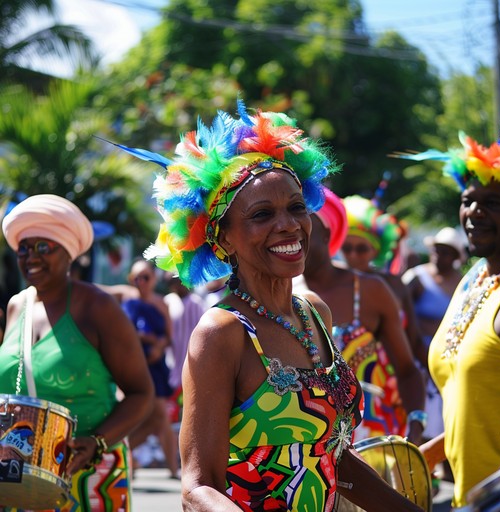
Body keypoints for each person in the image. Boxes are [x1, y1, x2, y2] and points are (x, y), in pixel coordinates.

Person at [116, 100, 423, 511]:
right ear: (222, 239)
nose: (288, 224)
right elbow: (196, 487)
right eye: (262, 214)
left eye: (297, 207)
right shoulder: (222, 332)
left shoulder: (314, 313)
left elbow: (328, 456)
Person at [0, 194, 154, 511]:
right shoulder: (17, 306)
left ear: (69, 253)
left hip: (89, 476)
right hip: (18, 478)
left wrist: (96, 442)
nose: (32, 257)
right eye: (24, 248)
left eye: (44, 247)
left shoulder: (97, 306)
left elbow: (141, 393)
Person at [399, 118, 500, 508]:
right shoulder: (473, 280)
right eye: (468, 200)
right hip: (467, 499)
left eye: (493, 203)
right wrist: (439, 449)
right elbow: (484, 399)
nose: (474, 212)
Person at [297, 188, 426, 445]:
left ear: (327, 234)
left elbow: (407, 369)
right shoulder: (282, 293)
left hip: (369, 438)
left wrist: (417, 424)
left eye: (304, 230)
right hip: (306, 443)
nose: (295, 237)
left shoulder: (370, 290)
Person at [100, 258, 180, 479]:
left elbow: (167, 337)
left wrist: (157, 347)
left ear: (153, 279)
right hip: (129, 364)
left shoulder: (160, 303)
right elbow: (95, 291)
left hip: (153, 365)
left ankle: (167, 467)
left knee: (158, 417)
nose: (141, 282)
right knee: (131, 413)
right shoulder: (124, 295)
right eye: (136, 277)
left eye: (145, 277)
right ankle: (123, 457)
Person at [341, 194, 425, 366]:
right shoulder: (335, 283)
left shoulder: (394, 284)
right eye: (347, 248)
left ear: (376, 250)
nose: (353, 255)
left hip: (395, 379)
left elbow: (414, 339)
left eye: (362, 248)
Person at [402, 226, 466, 442]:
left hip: (447, 358)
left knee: (443, 419)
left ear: (456, 257)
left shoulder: (462, 283)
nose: (440, 255)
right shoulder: (416, 277)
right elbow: (400, 314)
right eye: (437, 249)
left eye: (446, 251)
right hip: (416, 356)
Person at [163, 271, 206, 425]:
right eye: (172, 283)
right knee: (171, 415)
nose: (176, 285)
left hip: (192, 366)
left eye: (178, 281)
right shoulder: (168, 302)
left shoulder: (197, 304)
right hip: (171, 366)